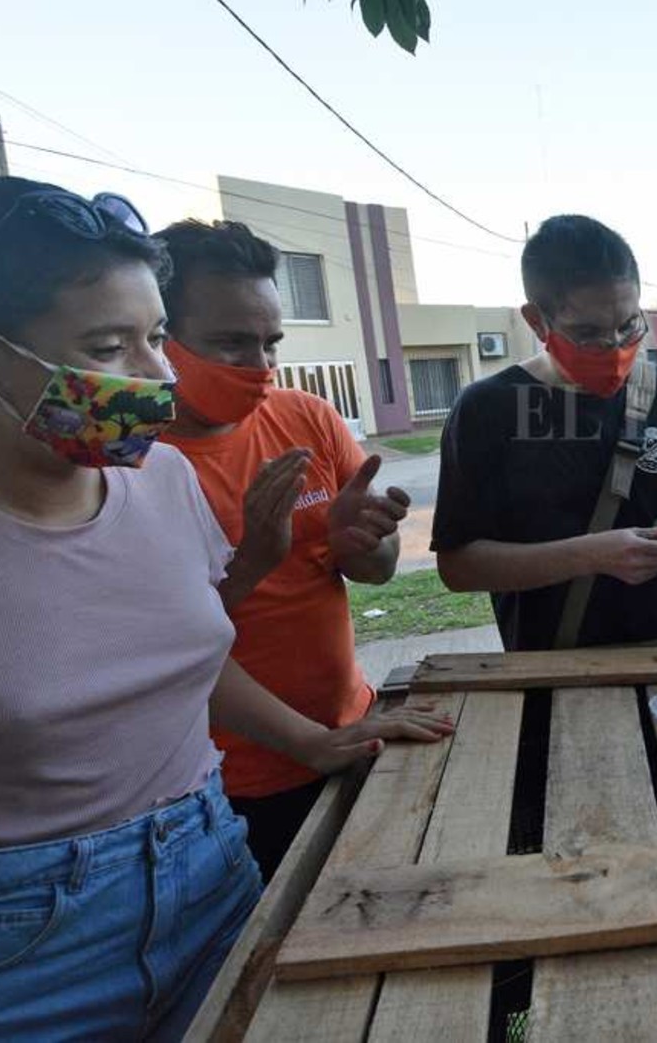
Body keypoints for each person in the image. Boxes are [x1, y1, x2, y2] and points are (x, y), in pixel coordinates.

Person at [0, 178, 449, 1039]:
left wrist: (312, 740)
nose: (157, 377)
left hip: (208, 868)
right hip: (12, 938)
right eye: (109, 346)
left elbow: (188, 651)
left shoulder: (160, 478)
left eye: (155, 339)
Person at [156, 219, 421, 881]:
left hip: (348, 734)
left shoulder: (305, 416)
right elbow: (158, 646)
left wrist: (364, 543)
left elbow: (376, 572)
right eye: (230, 344)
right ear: (159, 336)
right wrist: (253, 558)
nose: (259, 368)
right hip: (224, 785)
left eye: (270, 343)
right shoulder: (134, 461)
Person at [432, 214, 657, 650]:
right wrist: (590, 555)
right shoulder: (487, 409)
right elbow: (458, 566)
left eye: (628, 326)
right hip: (562, 670)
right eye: (588, 334)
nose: (616, 348)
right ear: (536, 321)